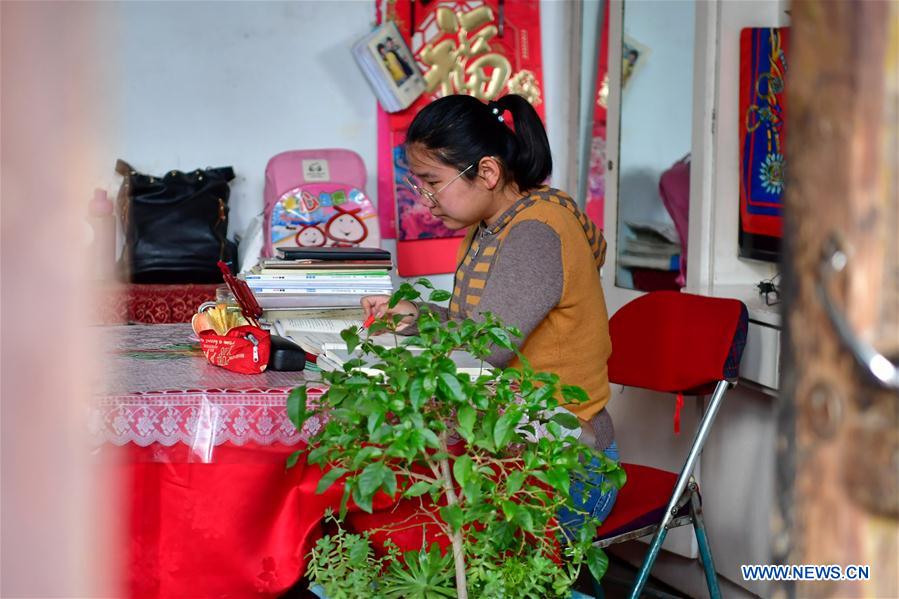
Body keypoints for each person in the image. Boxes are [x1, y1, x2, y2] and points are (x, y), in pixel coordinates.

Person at [361, 93, 618, 534]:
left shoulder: (534, 232)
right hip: (526, 442)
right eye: (419, 185)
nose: (425, 200)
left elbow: (488, 348)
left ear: (487, 172)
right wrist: (417, 313)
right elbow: (479, 325)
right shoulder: (494, 224)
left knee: (413, 523)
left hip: (568, 462)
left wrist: (417, 341)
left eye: (432, 182)